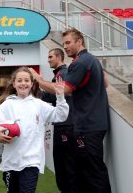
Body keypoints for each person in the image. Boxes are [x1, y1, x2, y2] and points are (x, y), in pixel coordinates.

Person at [29, 28, 111, 193]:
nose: (65, 47)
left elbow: (64, 90)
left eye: (68, 42)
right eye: (63, 43)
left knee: (93, 174)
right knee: (89, 174)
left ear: (79, 42)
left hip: (88, 126)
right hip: (91, 125)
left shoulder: (80, 63)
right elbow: (106, 82)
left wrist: (39, 80)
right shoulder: (90, 60)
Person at [0, 67, 69, 193]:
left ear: (32, 84)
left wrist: (60, 97)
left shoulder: (39, 104)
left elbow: (61, 115)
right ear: (14, 83)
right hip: (10, 163)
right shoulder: (7, 105)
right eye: (20, 80)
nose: (23, 83)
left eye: (27, 80)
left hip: (31, 162)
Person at [42, 48, 78, 193]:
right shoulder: (59, 74)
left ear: (58, 57)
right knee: (64, 168)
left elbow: (58, 95)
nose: (48, 59)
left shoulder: (62, 74)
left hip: (66, 127)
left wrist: (39, 86)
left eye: (50, 56)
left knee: (66, 168)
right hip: (64, 126)